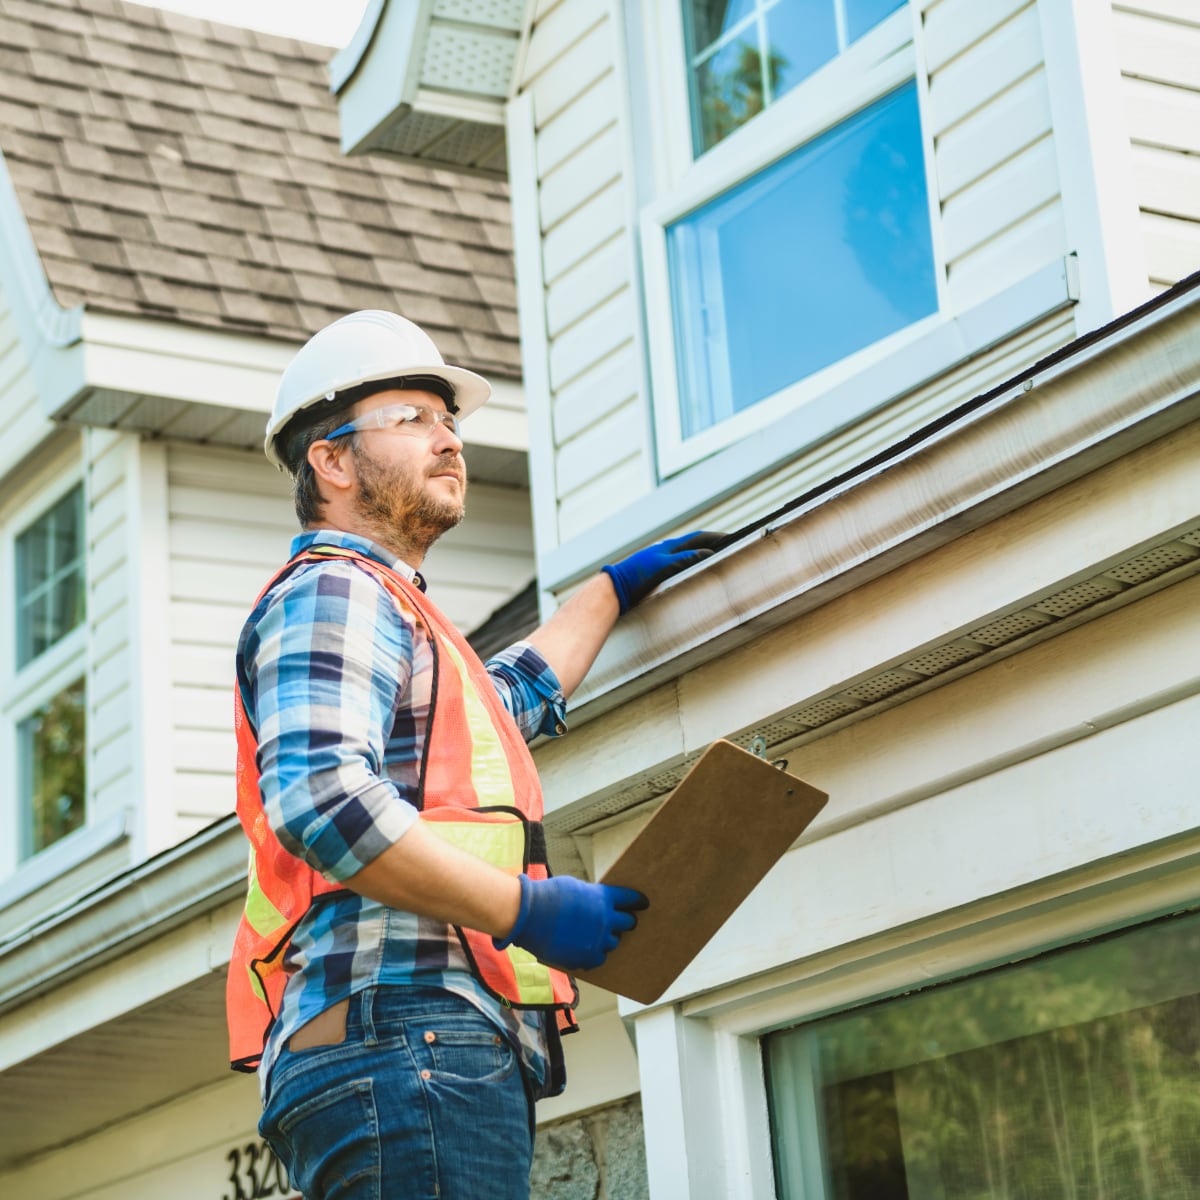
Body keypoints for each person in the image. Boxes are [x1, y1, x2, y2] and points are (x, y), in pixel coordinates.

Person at [224, 310, 721, 1199]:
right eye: (411, 418)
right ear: (330, 462)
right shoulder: (337, 588)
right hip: (407, 1037)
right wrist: (526, 910)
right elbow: (323, 800)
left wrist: (606, 593)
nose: (447, 438)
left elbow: (506, 702)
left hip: (410, 1046)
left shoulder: (402, 617)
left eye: (448, 420)